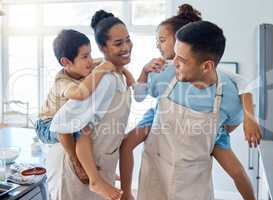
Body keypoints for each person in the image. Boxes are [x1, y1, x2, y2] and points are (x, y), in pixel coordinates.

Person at [120, 4, 261, 200]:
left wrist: (218, 132)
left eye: (182, 59)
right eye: (174, 55)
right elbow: (140, 95)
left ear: (206, 66)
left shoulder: (228, 94)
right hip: (156, 172)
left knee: (237, 172)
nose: (173, 62)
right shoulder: (163, 75)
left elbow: (231, 122)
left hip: (193, 185)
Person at [47, 10, 134, 200]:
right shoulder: (102, 79)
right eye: (118, 43)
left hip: (102, 165)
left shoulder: (113, 73)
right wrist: (77, 163)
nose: (126, 46)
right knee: (83, 131)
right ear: (103, 47)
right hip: (74, 165)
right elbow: (62, 123)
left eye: (128, 39)